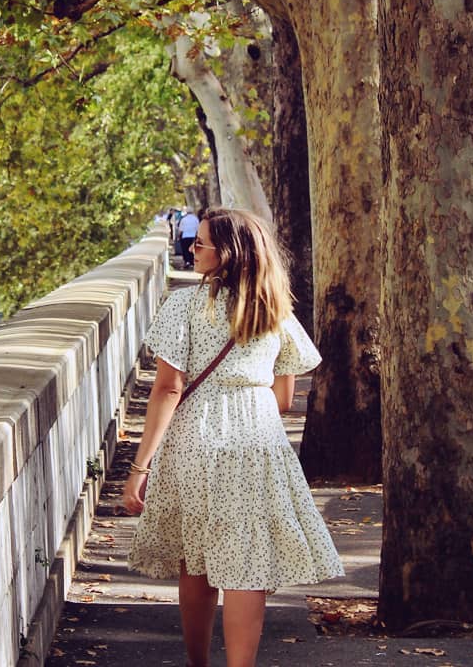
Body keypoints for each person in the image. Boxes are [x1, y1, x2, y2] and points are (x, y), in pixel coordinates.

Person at [122, 208, 343, 667]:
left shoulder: (185, 305)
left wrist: (140, 467)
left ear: (228, 252)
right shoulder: (274, 309)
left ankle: (198, 663)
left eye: (200, 243)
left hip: (196, 439)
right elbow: (284, 398)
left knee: (196, 559)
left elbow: (167, 388)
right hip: (258, 438)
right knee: (248, 562)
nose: (191, 249)